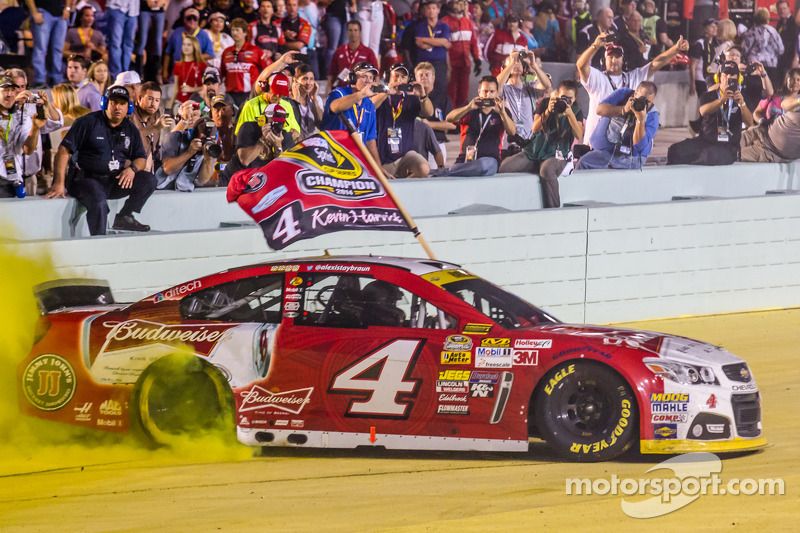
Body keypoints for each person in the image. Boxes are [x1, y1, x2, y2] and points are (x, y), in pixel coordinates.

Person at [47, 85, 157, 234]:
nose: (118, 107)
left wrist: (132, 169)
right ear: (105, 103)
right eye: (114, 102)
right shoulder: (87, 122)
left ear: (129, 107)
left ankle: (124, 217)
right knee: (99, 201)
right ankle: (99, 240)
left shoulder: (130, 129)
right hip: (85, 180)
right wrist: (59, 183)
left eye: (122, 103)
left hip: (114, 180)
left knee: (148, 180)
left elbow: (140, 158)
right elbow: (63, 151)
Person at [577, 31, 688, 145]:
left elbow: (655, 64)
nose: (614, 60)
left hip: (622, 144)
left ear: (623, 60)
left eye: (617, 56)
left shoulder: (634, 77)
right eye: (610, 56)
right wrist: (595, 46)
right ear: (604, 60)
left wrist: (676, 49)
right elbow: (581, 65)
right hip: (594, 142)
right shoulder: (597, 77)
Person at [499, 80, 583, 208]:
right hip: (535, 151)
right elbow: (534, 128)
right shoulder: (546, 103)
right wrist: (548, 111)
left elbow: (579, 135)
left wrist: (570, 115)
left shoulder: (576, 111)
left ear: (575, 99)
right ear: (557, 95)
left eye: (569, 99)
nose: (566, 101)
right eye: (563, 98)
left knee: (547, 170)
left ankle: (554, 212)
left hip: (558, 155)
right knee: (505, 167)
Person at [667, 61, 754, 166]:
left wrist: (742, 104)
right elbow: (703, 111)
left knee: (711, 155)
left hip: (729, 145)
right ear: (719, 77)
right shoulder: (709, 95)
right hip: (705, 141)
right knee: (675, 150)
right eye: (725, 74)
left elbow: (750, 123)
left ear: (738, 78)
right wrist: (721, 100)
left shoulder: (742, 97)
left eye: (732, 75)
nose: (728, 78)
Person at [577, 80, 659, 170]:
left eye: (648, 102)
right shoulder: (623, 94)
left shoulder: (653, 116)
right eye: (642, 99)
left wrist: (640, 120)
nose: (644, 105)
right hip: (605, 152)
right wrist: (623, 109)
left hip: (630, 158)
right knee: (583, 163)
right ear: (635, 93)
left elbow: (639, 146)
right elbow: (599, 110)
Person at [443, 75, 516, 177]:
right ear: (479, 92)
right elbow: (449, 118)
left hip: (490, 160)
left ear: (497, 93)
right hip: (466, 159)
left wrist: (502, 113)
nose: (488, 95)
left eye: (492, 91)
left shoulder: (502, 112)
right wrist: (468, 108)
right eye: (485, 91)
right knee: (469, 167)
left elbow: (512, 132)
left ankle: (446, 172)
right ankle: (454, 171)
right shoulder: (470, 109)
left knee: (482, 165)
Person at [372, 63, 433, 178]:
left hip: (405, 155)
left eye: (403, 77)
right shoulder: (380, 94)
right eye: (396, 76)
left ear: (408, 80)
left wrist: (423, 96)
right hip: (382, 158)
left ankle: (406, 184)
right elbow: (369, 106)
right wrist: (387, 92)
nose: (399, 80)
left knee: (423, 168)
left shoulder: (411, 98)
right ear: (388, 77)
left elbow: (429, 113)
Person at [0, 75, 54, 198]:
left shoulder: (22, 117)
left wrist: (35, 128)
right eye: (5, 90)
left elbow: (28, 149)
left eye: (12, 90)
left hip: (10, 179)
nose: (9, 94)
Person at [321, 61, 381, 164]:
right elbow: (334, 107)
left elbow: (370, 141)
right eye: (364, 76)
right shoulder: (339, 93)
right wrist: (361, 94)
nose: (368, 81)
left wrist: (378, 167)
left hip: (356, 160)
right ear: (353, 78)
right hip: (333, 156)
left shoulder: (369, 104)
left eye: (371, 78)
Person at [497, 50, 551, 150]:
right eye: (513, 62)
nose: (516, 64)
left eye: (519, 62)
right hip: (509, 142)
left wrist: (534, 65)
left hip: (529, 142)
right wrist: (512, 63)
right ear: (504, 69)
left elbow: (547, 85)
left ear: (524, 68)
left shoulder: (530, 87)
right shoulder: (503, 88)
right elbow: (496, 85)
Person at [236, 71, 302, 138]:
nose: (278, 96)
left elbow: (296, 129)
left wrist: (295, 133)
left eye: (281, 93)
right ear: (266, 87)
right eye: (275, 92)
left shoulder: (287, 105)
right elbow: (241, 135)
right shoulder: (251, 106)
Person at [740, 91, 800, 163]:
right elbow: (784, 104)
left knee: (734, 155)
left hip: (770, 151)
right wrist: (798, 101)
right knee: (730, 142)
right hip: (762, 132)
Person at [442, 0, 481, 108]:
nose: (460, 5)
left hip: (465, 65)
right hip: (451, 67)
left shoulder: (467, 22)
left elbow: (473, 42)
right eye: (456, 2)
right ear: (450, 4)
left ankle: (462, 117)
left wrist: (477, 59)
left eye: (462, 3)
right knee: (451, 95)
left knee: (463, 95)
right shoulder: (444, 22)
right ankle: (451, 117)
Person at [415, 60, 453, 166]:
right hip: (415, 145)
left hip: (437, 144)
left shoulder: (443, 98)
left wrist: (428, 124)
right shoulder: (411, 98)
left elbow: (451, 125)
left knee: (436, 174)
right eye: (420, 75)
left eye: (427, 74)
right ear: (416, 78)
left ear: (433, 77)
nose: (424, 77)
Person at [131, 81, 174, 173]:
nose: (153, 104)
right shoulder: (130, 115)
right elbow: (132, 137)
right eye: (150, 99)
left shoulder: (157, 115)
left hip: (151, 167)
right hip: (131, 169)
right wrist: (155, 127)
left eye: (157, 100)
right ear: (139, 98)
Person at [163, 8, 214, 82]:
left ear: (198, 20)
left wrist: (192, 57)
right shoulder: (176, 32)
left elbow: (210, 54)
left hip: (196, 71)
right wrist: (165, 71)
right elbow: (167, 53)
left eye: (195, 18)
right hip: (177, 71)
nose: (192, 21)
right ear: (184, 20)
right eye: (189, 18)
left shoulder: (203, 34)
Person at [413, 0, 451, 101]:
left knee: (440, 89)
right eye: (429, 8)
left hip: (439, 63)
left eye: (434, 8)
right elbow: (419, 44)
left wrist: (424, 39)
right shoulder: (420, 26)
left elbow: (444, 41)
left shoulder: (444, 26)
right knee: (422, 88)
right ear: (425, 11)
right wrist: (439, 42)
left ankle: (438, 110)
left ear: (438, 10)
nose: (431, 11)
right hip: (423, 63)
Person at [28, 0, 69, 87]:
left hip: (60, 13)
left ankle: (56, 79)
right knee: (40, 49)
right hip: (42, 11)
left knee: (58, 49)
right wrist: (34, 12)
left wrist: (67, 8)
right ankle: (40, 79)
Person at [327, 20, 379, 89]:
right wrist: (328, 91)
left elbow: (376, 75)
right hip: (342, 91)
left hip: (361, 91)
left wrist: (375, 90)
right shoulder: (339, 51)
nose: (353, 33)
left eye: (355, 30)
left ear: (360, 32)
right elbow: (331, 74)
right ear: (347, 32)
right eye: (350, 30)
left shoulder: (368, 52)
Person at [741, 8, 784, 88]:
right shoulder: (773, 31)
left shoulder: (752, 31)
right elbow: (781, 49)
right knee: (771, 90)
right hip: (771, 66)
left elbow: (744, 49)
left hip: (755, 66)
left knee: (756, 90)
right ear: (768, 18)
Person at [105, 0, 139, 77]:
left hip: (133, 10)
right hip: (116, 7)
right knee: (115, 44)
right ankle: (116, 75)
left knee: (129, 44)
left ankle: (125, 74)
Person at [136, 0, 168, 82]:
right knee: (142, 40)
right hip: (145, 8)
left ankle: (157, 72)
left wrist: (164, 1)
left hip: (159, 9)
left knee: (158, 41)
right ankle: (139, 73)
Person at [172, 34, 207, 107]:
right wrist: (170, 105)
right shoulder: (177, 65)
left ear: (194, 47)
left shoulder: (202, 65)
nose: (185, 47)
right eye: (184, 44)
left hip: (196, 103)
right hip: (180, 103)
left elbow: (206, 86)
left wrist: (192, 89)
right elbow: (175, 88)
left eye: (189, 45)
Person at [688, 18, 719, 97]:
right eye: (712, 26)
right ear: (705, 29)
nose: (715, 28)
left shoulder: (715, 44)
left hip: (712, 79)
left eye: (716, 26)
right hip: (701, 79)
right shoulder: (700, 44)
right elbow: (692, 65)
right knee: (704, 102)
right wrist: (692, 83)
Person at [292, 63, 323, 138]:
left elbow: (322, 123)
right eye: (305, 79)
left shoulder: (317, 99)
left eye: (311, 79)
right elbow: (291, 125)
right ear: (295, 81)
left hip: (314, 140)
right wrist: (296, 99)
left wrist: (314, 99)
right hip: (296, 142)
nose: (308, 83)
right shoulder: (288, 101)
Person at [776, 1, 798, 82]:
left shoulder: (794, 23)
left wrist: (796, 58)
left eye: (784, 8)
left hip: (791, 58)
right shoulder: (779, 23)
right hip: (781, 59)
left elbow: (796, 41)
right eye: (780, 9)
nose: (782, 11)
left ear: (789, 9)